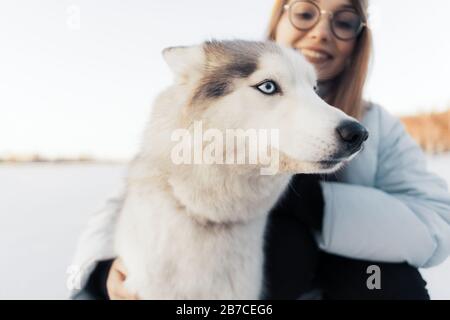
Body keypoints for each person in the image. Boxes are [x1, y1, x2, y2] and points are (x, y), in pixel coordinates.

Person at [69, 0, 450, 300]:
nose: (321, 32)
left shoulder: (377, 126)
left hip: (338, 279)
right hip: (228, 277)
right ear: (277, 20)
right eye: (304, 13)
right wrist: (104, 268)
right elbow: (138, 190)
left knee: (389, 282)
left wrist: (319, 206)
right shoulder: (212, 96)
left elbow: (435, 225)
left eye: (344, 21)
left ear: (357, 42)